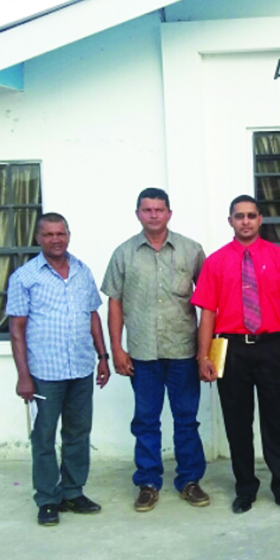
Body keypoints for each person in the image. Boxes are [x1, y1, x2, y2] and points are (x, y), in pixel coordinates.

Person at [192, 195, 280, 515]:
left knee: (278, 421)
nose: (246, 221)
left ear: (260, 220)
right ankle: (245, 488)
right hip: (230, 348)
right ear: (230, 220)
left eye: (251, 215)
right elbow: (208, 314)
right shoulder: (215, 262)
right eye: (239, 216)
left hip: (271, 346)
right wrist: (204, 356)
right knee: (237, 422)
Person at [101, 187, 209, 512]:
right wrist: (117, 349)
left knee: (186, 419)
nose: (153, 215)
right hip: (142, 355)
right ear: (138, 214)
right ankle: (148, 483)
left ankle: (189, 480)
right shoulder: (123, 253)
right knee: (146, 421)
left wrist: (206, 353)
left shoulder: (191, 250)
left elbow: (209, 303)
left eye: (159, 210)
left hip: (183, 353)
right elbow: (115, 302)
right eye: (147, 210)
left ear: (169, 213)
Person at [7, 213, 111, 526]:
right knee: (44, 437)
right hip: (44, 374)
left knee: (78, 434)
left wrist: (102, 356)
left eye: (61, 233)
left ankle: (72, 492)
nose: (56, 239)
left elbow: (93, 316)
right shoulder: (25, 277)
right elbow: (16, 329)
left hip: (80, 368)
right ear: (38, 238)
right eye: (49, 234)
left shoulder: (82, 271)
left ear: (69, 235)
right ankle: (47, 499)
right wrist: (23, 376)